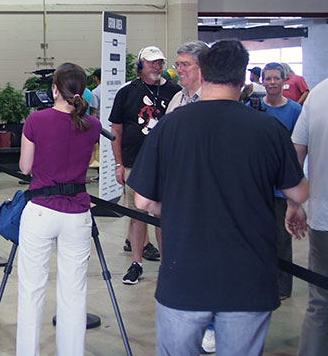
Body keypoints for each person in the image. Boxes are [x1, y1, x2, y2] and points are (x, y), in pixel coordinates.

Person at [127, 39, 309, 356]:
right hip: (248, 279)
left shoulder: (170, 126)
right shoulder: (268, 129)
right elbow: (299, 191)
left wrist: (178, 206)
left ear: (204, 74)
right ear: (244, 82)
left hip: (183, 276)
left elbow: (142, 201)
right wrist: (294, 207)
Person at [16, 62, 101, 355]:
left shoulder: (36, 121)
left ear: (54, 89)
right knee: (74, 293)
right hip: (77, 212)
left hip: (41, 209)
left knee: (31, 290)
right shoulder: (93, 125)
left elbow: (25, 167)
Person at [109, 45, 181, 284]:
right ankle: (136, 262)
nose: (157, 67)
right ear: (141, 65)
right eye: (151, 63)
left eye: (160, 62)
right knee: (137, 215)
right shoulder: (127, 92)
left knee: (162, 216)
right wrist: (119, 164)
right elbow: (116, 129)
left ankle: (167, 265)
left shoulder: (175, 92)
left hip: (167, 165)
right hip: (134, 164)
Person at [165, 40, 217, 353]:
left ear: (203, 68)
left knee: (208, 264)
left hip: (207, 198)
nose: (178, 70)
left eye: (185, 65)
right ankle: (191, 322)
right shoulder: (177, 100)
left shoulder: (213, 101)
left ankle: (211, 326)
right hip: (179, 194)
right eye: (178, 64)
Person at [292, 71, 328, 356]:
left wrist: (294, 204)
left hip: (327, 216)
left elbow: (297, 151)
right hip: (326, 216)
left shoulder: (322, 91)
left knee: (321, 304)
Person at [260, 62, 302, 301]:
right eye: (268, 78)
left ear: (284, 80)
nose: (272, 83)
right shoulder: (253, 108)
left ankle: (282, 286)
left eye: (276, 78)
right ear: (263, 81)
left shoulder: (295, 110)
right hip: (259, 184)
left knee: (281, 237)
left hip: (281, 186)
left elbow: (299, 150)